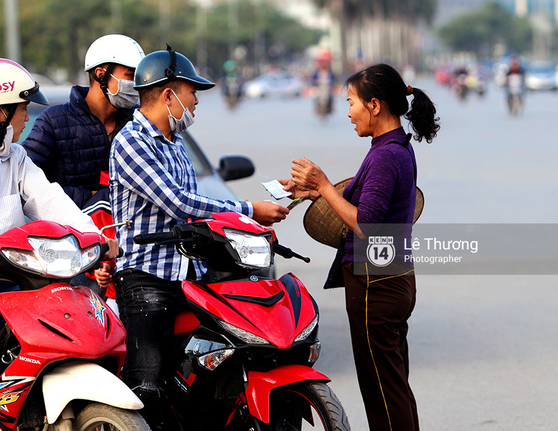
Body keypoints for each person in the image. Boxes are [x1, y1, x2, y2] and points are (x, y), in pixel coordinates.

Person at [109, 46, 289, 430]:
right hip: (146, 277)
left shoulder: (176, 144)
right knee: (148, 384)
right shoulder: (131, 142)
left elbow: (201, 208)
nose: (196, 102)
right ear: (168, 93)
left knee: (212, 369)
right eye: (192, 92)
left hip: (192, 275)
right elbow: (179, 203)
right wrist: (247, 209)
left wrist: (252, 220)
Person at [285, 63, 440, 431]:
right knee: (393, 386)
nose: (349, 112)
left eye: (352, 102)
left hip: (376, 284)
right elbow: (362, 203)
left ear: (374, 105)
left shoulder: (386, 155)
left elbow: (366, 222)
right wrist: (313, 193)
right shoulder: (393, 147)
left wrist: (323, 184)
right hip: (391, 278)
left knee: (382, 390)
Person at [0, 58, 118, 292]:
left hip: (13, 278)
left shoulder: (16, 157)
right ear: (3, 111)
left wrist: (94, 236)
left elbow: (49, 199)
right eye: (23, 108)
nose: (26, 118)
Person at [22, 34, 145, 208]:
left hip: (129, 232)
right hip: (71, 232)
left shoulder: (139, 121)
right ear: (101, 74)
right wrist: (95, 198)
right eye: (130, 75)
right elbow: (26, 181)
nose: (136, 84)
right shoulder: (54, 122)